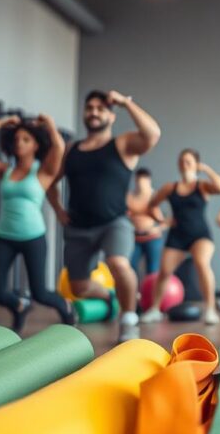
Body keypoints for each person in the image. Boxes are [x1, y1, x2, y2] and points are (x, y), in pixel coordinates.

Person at [47, 90, 160, 343]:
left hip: (114, 223)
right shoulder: (71, 150)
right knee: (79, 288)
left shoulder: (123, 144)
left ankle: (129, 319)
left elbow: (153, 134)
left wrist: (125, 102)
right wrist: (58, 210)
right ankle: (112, 297)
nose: (94, 112)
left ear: (110, 115)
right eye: (90, 108)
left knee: (119, 263)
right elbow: (50, 182)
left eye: (100, 108)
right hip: (77, 227)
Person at [0, 113, 73, 331]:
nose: (19, 143)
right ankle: (19, 305)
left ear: (36, 144)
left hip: (33, 236)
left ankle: (65, 305)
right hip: (4, 235)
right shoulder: (5, 170)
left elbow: (59, 148)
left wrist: (50, 124)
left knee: (40, 293)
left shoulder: (44, 171)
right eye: (16, 139)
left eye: (26, 139)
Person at [141, 149, 220, 325]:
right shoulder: (170, 187)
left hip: (200, 235)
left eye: (188, 161)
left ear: (196, 164)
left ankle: (210, 309)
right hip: (177, 235)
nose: (184, 164)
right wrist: (162, 219)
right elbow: (151, 205)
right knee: (165, 271)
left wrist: (206, 170)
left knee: (201, 263)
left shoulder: (202, 186)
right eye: (182, 160)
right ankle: (155, 309)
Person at [127, 168, 166, 279]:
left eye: (143, 180)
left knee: (152, 269)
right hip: (135, 238)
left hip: (153, 238)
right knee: (130, 266)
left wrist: (158, 229)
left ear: (148, 180)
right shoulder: (129, 197)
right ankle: (134, 294)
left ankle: (151, 295)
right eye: (138, 180)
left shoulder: (156, 196)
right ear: (135, 180)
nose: (140, 183)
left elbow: (166, 220)